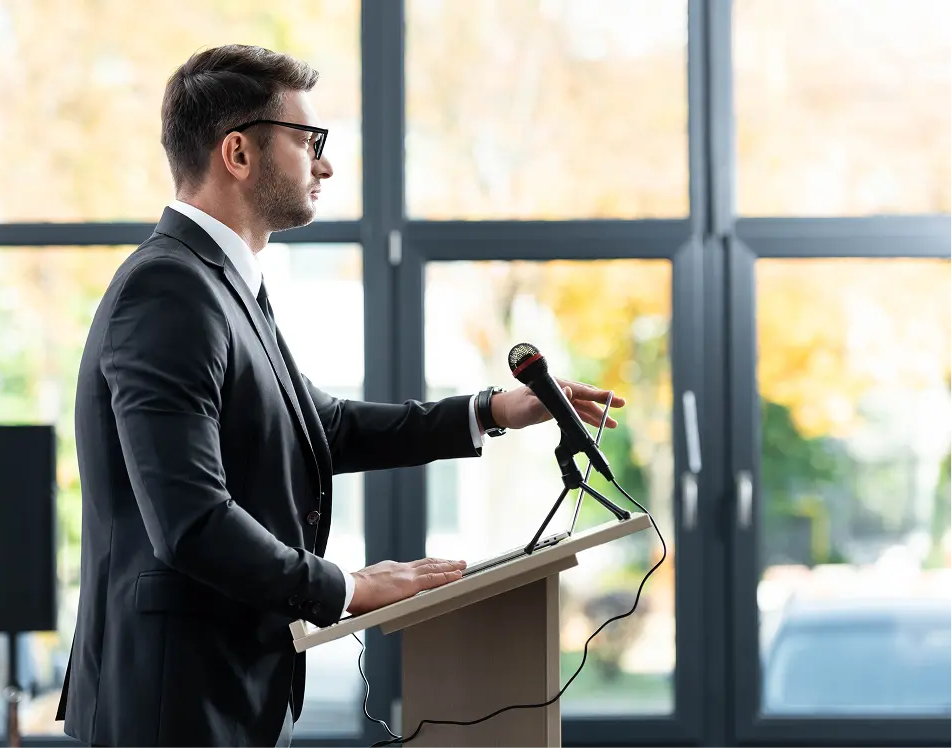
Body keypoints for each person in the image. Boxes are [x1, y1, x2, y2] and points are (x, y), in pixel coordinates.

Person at [55, 43, 625, 748]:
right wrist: (346, 587)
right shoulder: (169, 289)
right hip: (176, 702)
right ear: (238, 153)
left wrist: (494, 410)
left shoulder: (225, 286)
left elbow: (321, 425)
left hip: (221, 691)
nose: (324, 164)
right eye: (309, 141)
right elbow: (191, 521)